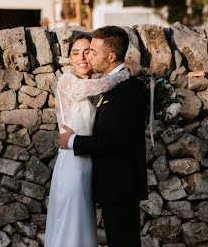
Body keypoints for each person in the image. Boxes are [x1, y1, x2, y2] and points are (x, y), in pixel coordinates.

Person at [57, 26, 148, 247]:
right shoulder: (82, 83)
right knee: (72, 225)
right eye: (77, 52)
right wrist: (126, 72)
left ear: (110, 56)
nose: (86, 56)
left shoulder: (125, 88)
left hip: (118, 181)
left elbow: (116, 140)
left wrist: (73, 141)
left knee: (120, 240)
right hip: (81, 167)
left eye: (91, 51)